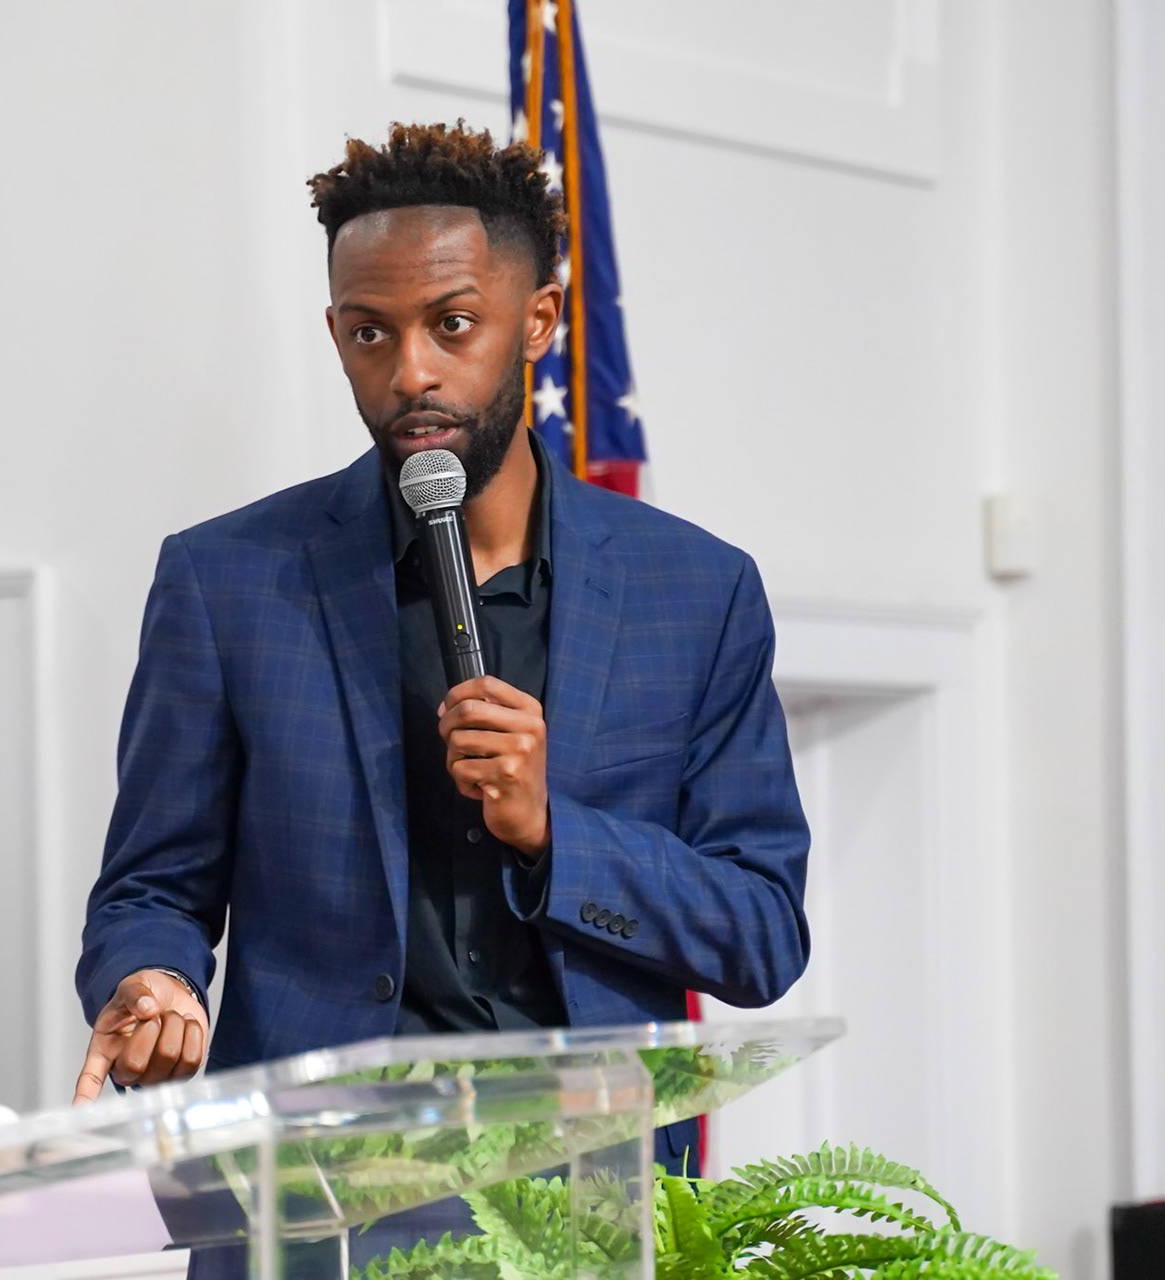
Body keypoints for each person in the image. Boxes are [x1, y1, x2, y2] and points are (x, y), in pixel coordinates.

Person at [76, 122, 810, 1177]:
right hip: (319, 1190)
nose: (410, 371)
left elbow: (762, 932)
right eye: (370, 333)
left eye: (452, 324)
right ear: (336, 333)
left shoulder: (695, 590)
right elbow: (151, 888)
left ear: (538, 319)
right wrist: (155, 980)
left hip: (590, 1196)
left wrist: (554, 831)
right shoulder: (226, 580)